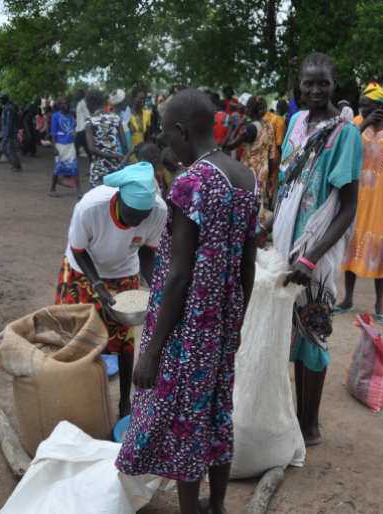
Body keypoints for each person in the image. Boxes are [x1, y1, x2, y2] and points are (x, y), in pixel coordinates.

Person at [115, 88, 260, 514]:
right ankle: (217, 505)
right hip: (222, 325)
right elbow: (247, 266)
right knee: (216, 413)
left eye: (167, 136)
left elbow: (178, 275)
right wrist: (236, 324)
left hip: (187, 328)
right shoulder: (247, 178)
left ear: (181, 131)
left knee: (185, 423)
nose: (168, 145)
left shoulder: (191, 183)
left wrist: (152, 351)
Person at [259, 53, 362, 446]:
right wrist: (268, 226)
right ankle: (298, 419)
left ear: (335, 84)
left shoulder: (345, 134)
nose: (315, 90)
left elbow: (348, 206)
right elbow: (287, 185)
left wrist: (311, 256)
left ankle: (310, 426)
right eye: (308, 83)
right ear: (298, 85)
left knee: (314, 333)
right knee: (294, 332)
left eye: (323, 83)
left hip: (316, 250)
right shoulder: (297, 123)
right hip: (287, 244)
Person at [56, 162, 167, 419]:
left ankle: (124, 402)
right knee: (78, 333)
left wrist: (156, 289)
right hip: (83, 271)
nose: (137, 222)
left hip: (124, 271)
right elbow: (78, 250)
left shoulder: (158, 211)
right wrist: (97, 285)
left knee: (124, 339)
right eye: (132, 216)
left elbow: (147, 253)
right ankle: (78, 395)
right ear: (118, 199)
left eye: (143, 217)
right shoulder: (90, 208)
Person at [336, 83, 383, 322]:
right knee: (351, 243)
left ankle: (380, 303)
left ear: (381, 107)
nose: (362, 110)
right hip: (355, 196)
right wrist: (364, 123)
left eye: (367, 106)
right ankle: (348, 298)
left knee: (379, 248)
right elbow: (343, 147)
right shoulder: (356, 125)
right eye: (361, 106)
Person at [224, 95, 276, 214]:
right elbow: (271, 154)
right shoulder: (269, 125)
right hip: (263, 169)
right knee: (258, 202)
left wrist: (239, 125)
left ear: (250, 109)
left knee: (245, 204)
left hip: (248, 170)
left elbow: (230, 145)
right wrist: (270, 175)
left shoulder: (250, 128)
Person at [85, 90, 127, 187]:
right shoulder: (116, 118)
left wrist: (116, 156)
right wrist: (125, 159)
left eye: (87, 103)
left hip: (98, 169)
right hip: (115, 167)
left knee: (98, 195)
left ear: (92, 102)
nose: (86, 106)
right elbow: (124, 144)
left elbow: (91, 149)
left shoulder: (90, 120)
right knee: (115, 194)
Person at [49, 97, 82, 199]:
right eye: (63, 104)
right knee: (59, 167)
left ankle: (79, 192)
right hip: (60, 144)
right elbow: (53, 133)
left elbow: (72, 126)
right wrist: (54, 148)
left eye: (66, 103)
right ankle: (52, 189)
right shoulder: (55, 116)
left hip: (70, 144)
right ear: (59, 105)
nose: (65, 105)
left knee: (74, 166)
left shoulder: (70, 115)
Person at [0, 93, 22, 171]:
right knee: (4, 148)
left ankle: (17, 166)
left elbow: (9, 122)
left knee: (10, 150)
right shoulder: (5, 108)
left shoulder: (9, 108)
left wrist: (7, 134)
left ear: (5, 99)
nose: (0, 100)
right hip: (5, 133)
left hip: (8, 134)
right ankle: (14, 163)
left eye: (2, 98)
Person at [286, 57, 308, 125]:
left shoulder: (293, 109)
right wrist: (291, 69)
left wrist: (291, 69)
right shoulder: (312, 116)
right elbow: (290, 89)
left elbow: (290, 89)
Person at [74, 89, 92, 161]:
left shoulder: (83, 104)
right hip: (80, 129)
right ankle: (93, 165)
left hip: (82, 130)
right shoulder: (80, 103)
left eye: (76, 94)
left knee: (74, 148)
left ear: (80, 95)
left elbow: (87, 116)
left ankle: (71, 165)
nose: (75, 96)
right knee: (88, 150)